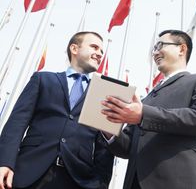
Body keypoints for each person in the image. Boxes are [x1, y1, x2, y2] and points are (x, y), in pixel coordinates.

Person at [101, 29, 196, 189]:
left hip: (179, 182)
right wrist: (108, 129)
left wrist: (143, 115)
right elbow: (127, 148)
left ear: (182, 49)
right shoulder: (146, 99)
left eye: (160, 46)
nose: (155, 52)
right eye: (154, 49)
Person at [0, 31, 114, 189]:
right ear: (74, 49)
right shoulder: (42, 79)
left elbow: (104, 145)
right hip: (28, 173)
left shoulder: (103, 95)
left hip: (77, 180)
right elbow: (16, 123)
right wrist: (5, 162)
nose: (99, 54)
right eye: (94, 47)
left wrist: (100, 185)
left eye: (102, 51)